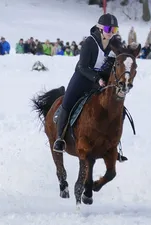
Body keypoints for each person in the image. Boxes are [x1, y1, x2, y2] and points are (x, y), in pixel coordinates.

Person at [53, 13, 126, 154]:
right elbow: (82, 66)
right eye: (108, 29)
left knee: (116, 106)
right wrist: (96, 78)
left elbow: (119, 61)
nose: (111, 33)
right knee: (67, 103)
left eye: (114, 30)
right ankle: (60, 138)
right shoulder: (90, 42)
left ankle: (114, 142)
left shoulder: (114, 44)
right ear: (100, 29)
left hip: (101, 81)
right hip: (82, 78)